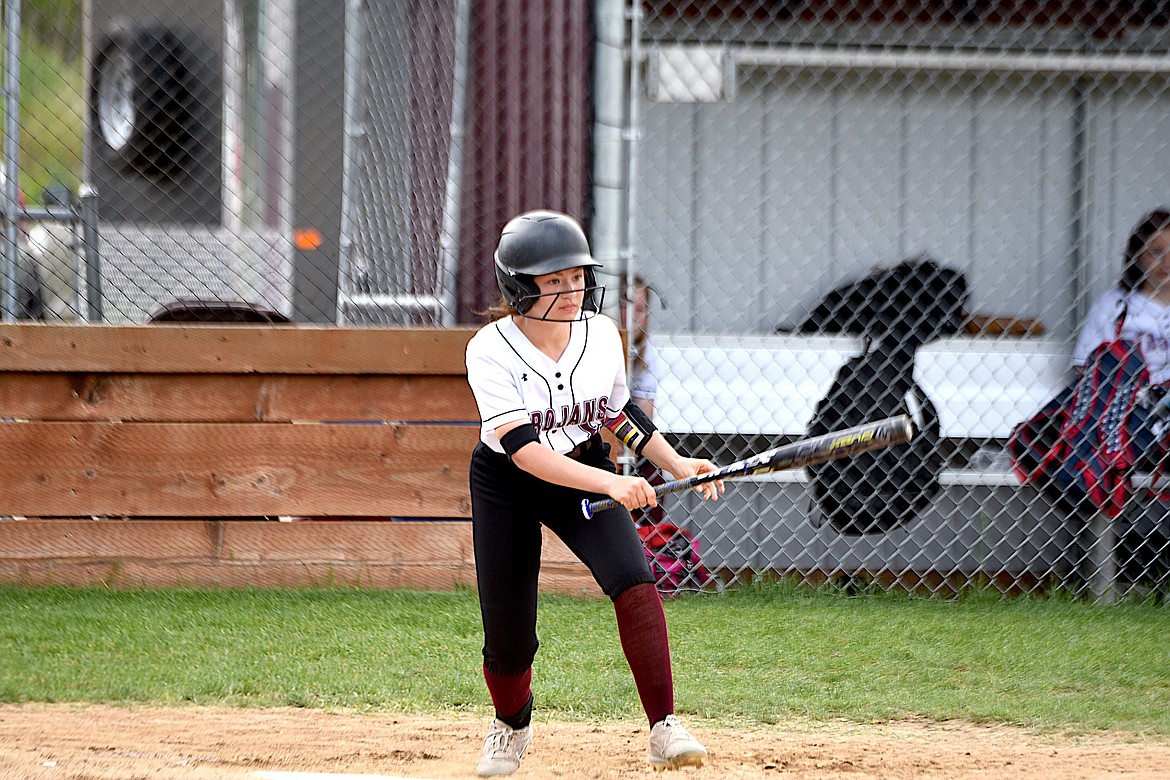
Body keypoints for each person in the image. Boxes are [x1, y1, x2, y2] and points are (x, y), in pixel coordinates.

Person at [464, 210, 724, 776]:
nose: (571, 290)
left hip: (582, 465)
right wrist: (614, 482)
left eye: (577, 276)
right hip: (508, 484)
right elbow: (526, 452)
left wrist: (677, 463)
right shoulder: (489, 350)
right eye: (552, 280)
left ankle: (663, 727)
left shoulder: (601, 334)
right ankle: (511, 724)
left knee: (634, 579)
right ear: (519, 286)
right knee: (508, 634)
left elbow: (617, 414)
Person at [1069, 207, 1170, 589]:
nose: (1165, 262)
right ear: (1137, 257)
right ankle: (1119, 573)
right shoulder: (1116, 306)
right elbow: (1087, 371)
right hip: (1128, 419)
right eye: (1154, 252)